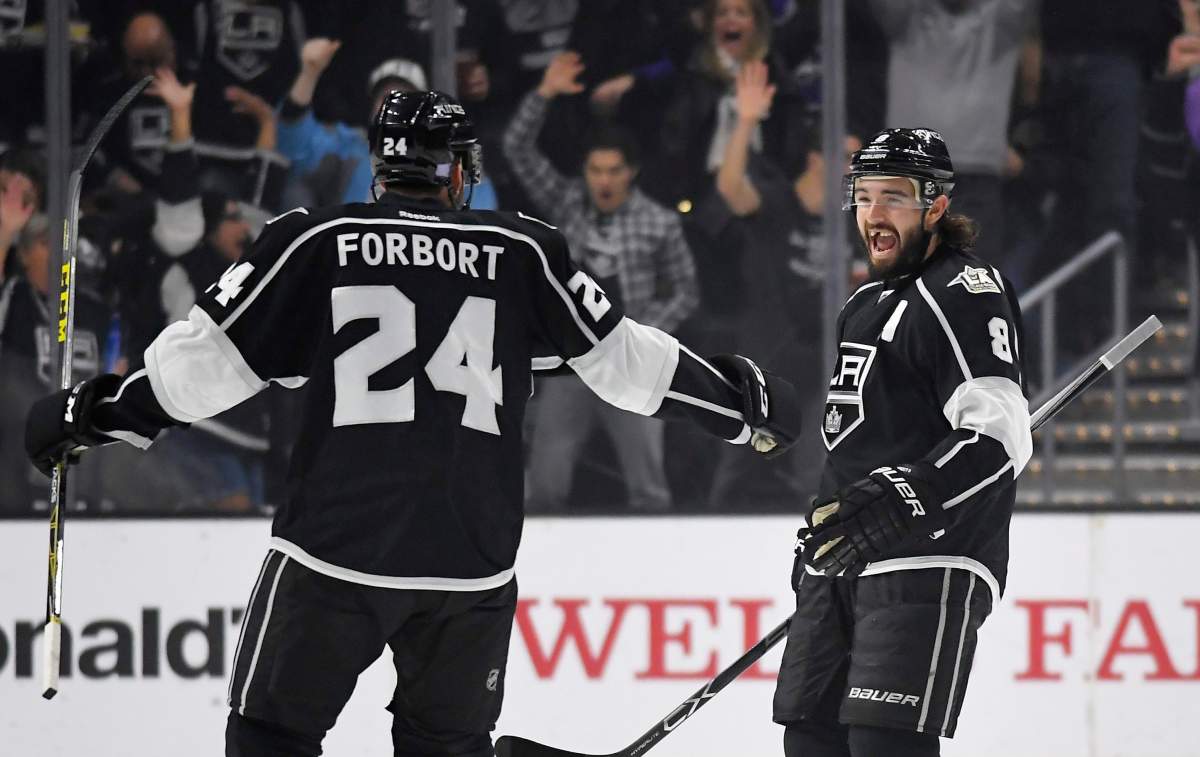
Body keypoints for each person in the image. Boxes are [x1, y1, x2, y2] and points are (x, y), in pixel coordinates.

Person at [25, 90, 802, 756]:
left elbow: (200, 370)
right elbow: (631, 363)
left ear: (381, 165)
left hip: (334, 552)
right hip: (469, 566)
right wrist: (745, 408)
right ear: (457, 169)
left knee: (268, 737)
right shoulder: (520, 250)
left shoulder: (316, 239)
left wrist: (88, 416)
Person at [772, 129, 1031, 757]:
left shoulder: (963, 290)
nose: (873, 214)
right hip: (847, 562)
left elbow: (999, 435)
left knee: (881, 746)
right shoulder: (862, 303)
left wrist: (914, 492)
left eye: (893, 196)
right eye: (863, 196)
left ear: (936, 205)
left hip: (928, 555)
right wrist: (822, 532)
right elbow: (858, 443)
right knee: (810, 743)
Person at [504, 52, 700, 512]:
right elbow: (516, 149)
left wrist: (645, 330)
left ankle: (655, 575)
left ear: (630, 172)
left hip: (631, 361)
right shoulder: (567, 203)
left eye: (614, 171)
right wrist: (544, 93)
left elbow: (687, 289)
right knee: (544, 483)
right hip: (570, 361)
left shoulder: (658, 221)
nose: (604, 180)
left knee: (649, 487)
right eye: (596, 170)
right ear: (585, 173)